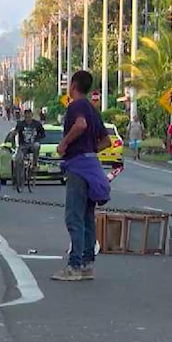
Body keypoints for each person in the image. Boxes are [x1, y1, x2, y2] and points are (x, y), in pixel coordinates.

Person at [53, 70, 111, 281]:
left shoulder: (76, 106)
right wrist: (89, 148)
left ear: (73, 86)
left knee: (74, 217)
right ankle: (87, 264)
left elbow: (80, 125)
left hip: (77, 166)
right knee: (87, 217)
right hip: (92, 166)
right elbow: (106, 142)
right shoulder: (93, 110)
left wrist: (65, 143)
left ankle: (74, 265)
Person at [12, 108, 46, 184]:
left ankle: (34, 165)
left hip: (33, 145)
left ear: (32, 115)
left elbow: (43, 134)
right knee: (17, 159)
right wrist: (13, 133)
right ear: (24, 116)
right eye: (26, 116)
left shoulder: (37, 124)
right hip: (23, 146)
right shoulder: (21, 124)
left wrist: (39, 138)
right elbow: (16, 131)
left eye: (29, 116)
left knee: (37, 145)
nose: (27, 118)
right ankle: (19, 176)